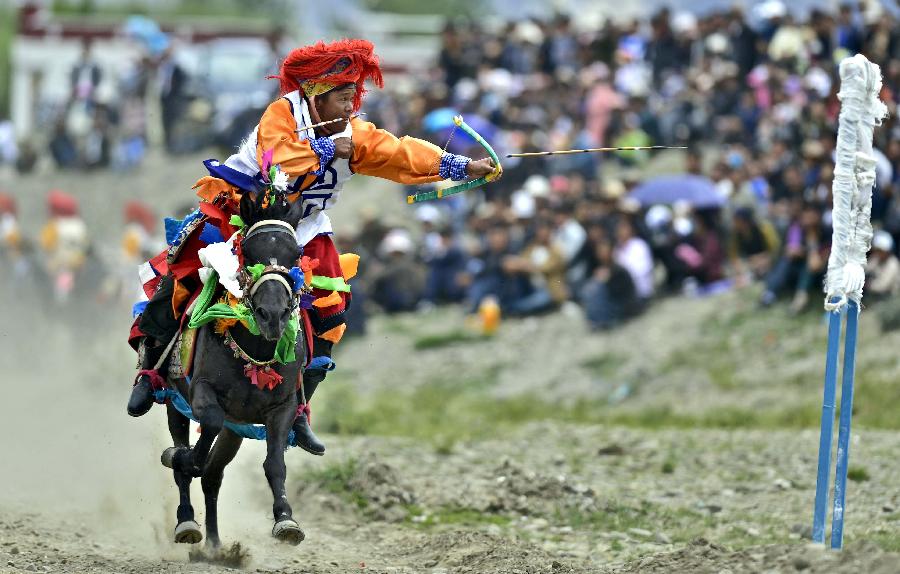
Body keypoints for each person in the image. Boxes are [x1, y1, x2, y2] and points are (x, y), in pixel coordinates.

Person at [126, 39, 499, 456]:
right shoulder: (281, 113)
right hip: (239, 210)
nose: (349, 107)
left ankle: (299, 407)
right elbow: (278, 160)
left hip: (301, 228)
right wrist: (325, 148)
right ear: (317, 96)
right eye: (342, 98)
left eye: (353, 98)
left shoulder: (353, 132)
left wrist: (463, 166)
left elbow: (400, 154)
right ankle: (149, 373)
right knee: (178, 272)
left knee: (332, 304)